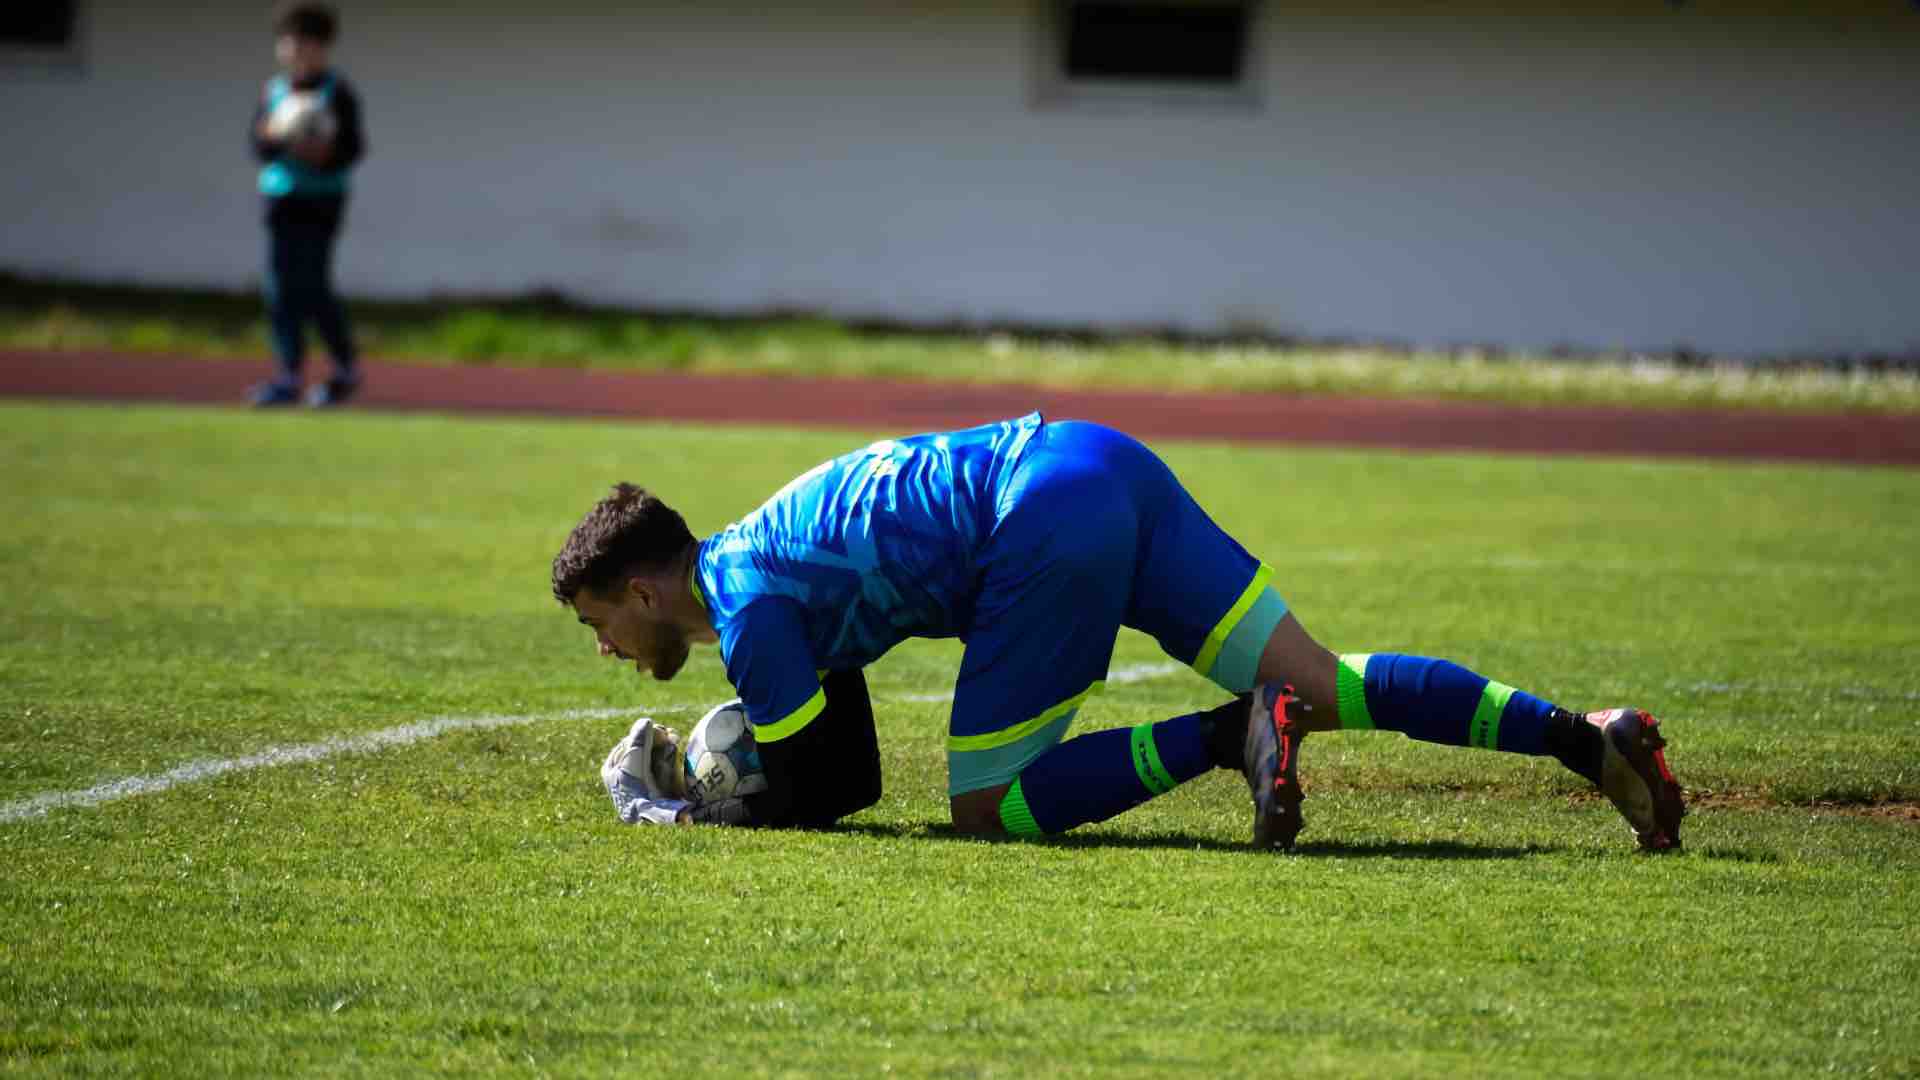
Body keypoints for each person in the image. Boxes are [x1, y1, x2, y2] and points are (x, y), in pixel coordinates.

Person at [550, 413, 1685, 850]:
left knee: (990, 807)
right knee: (1324, 680)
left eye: (601, 623)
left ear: (645, 590)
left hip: (1037, 524)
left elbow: (807, 793)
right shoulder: (758, 571)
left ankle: (1231, 733)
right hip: (1097, 458)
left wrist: (678, 810)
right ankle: (1582, 739)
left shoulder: (747, 612)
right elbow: (841, 777)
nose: (607, 650)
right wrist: (736, 783)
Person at [247, 3, 367, 408]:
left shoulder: (338, 92)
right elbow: (259, 145)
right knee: (281, 287)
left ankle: (344, 367)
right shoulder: (274, 92)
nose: (298, 50)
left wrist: (321, 153)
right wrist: (282, 139)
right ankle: (288, 375)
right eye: (291, 42)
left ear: (324, 47)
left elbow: (353, 148)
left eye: (308, 42)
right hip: (281, 197)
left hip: (323, 200)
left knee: (313, 284)